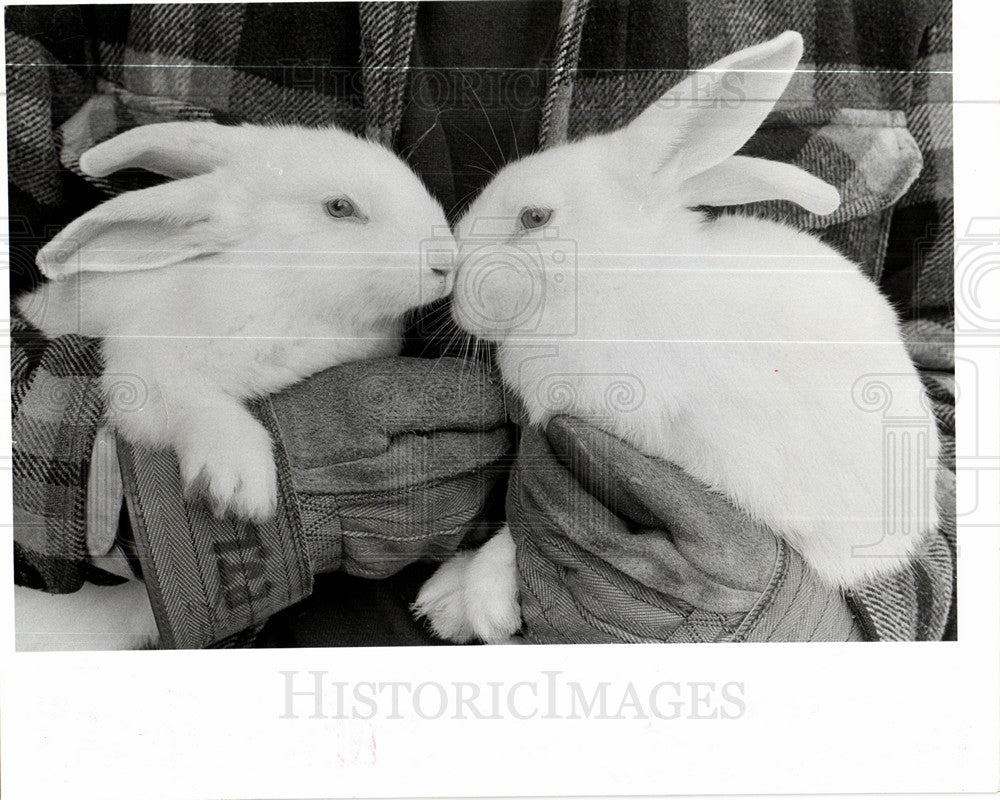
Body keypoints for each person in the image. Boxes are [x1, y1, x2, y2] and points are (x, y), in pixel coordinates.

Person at [8, 0, 956, 646]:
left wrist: (821, 622)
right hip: (224, 692)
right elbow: (37, 302)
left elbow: (956, 374)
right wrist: (134, 489)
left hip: (711, 724)